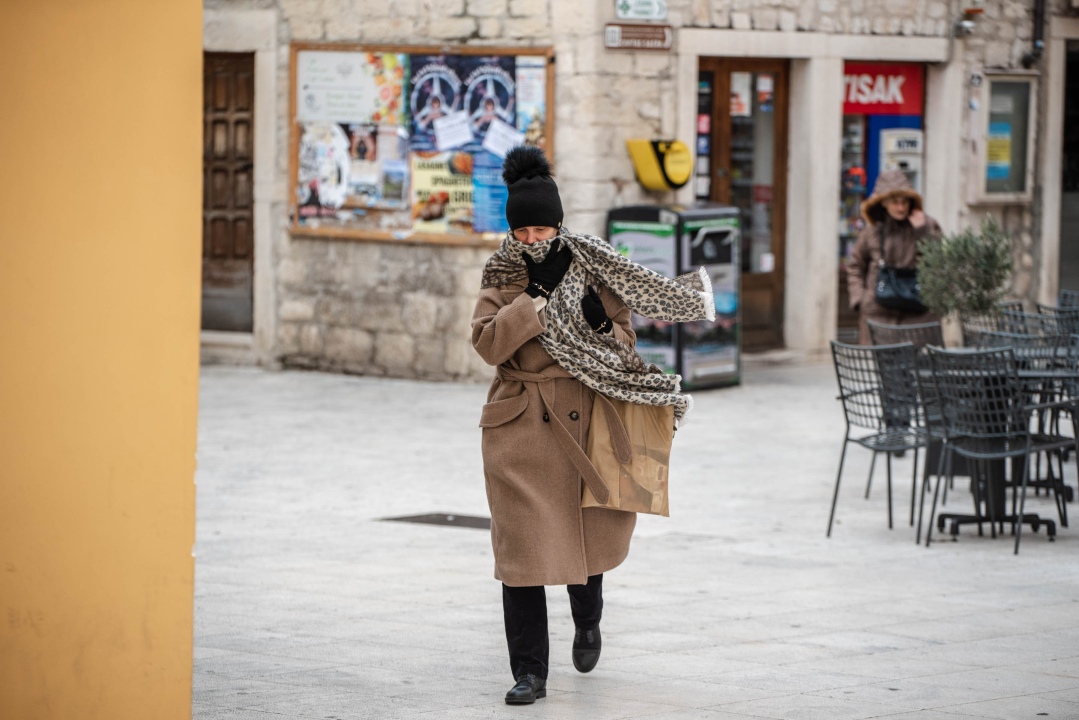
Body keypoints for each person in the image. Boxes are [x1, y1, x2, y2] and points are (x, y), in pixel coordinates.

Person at [471, 147, 637, 705]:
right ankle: (530, 673)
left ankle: (587, 618)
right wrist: (534, 295)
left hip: (584, 422)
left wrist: (592, 314)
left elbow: (626, 345)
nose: (534, 238)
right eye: (523, 230)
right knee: (521, 554)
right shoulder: (500, 274)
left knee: (583, 542)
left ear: (560, 223)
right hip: (520, 427)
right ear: (512, 231)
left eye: (543, 226)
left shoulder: (593, 265)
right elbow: (487, 344)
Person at [846, 169, 942, 345]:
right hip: (878, 316)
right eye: (895, 202)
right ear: (883, 202)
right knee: (882, 369)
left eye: (905, 201)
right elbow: (856, 265)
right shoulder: (872, 231)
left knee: (917, 370)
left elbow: (939, 261)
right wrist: (860, 299)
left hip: (919, 317)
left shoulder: (927, 225)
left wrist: (921, 231)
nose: (901, 207)